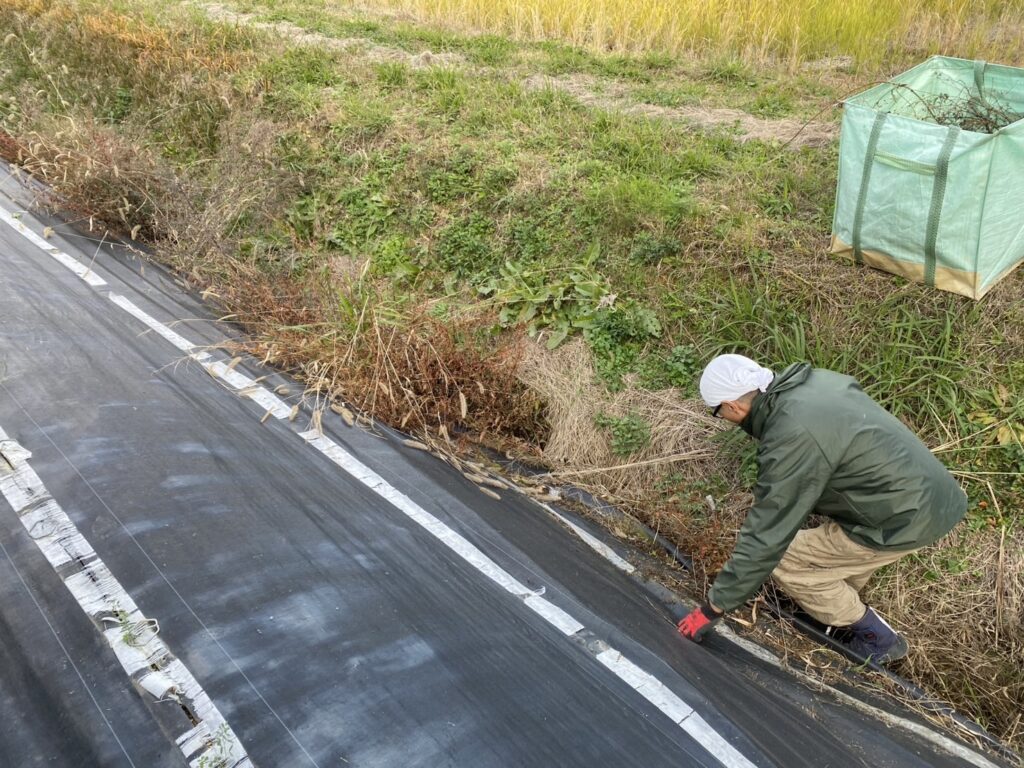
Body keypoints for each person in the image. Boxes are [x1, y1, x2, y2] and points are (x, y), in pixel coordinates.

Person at [677, 354, 966, 663]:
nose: (723, 419)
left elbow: (767, 535)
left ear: (734, 406)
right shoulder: (815, 382)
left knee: (785, 559)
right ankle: (833, 616)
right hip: (931, 497)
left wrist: (714, 608)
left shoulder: (791, 436)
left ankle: (878, 639)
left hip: (901, 518)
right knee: (831, 556)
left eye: (717, 412)